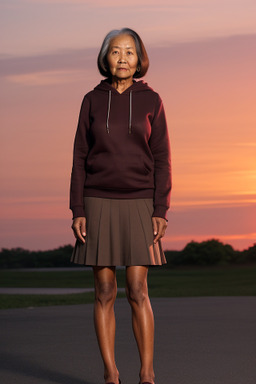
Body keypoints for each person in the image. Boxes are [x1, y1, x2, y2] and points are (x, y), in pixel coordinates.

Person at [70, 27, 172, 384]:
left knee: (138, 289)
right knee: (104, 291)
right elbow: (79, 156)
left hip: (141, 201)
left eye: (130, 52)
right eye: (116, 52)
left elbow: (162, 157)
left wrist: (161, 209)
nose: (123, 58)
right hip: (97, 200)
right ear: (105, 58)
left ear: (139, 58)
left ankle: (146, 372)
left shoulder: (152, 100)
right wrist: (77, 209)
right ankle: (111, 373)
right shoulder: (91, 100)